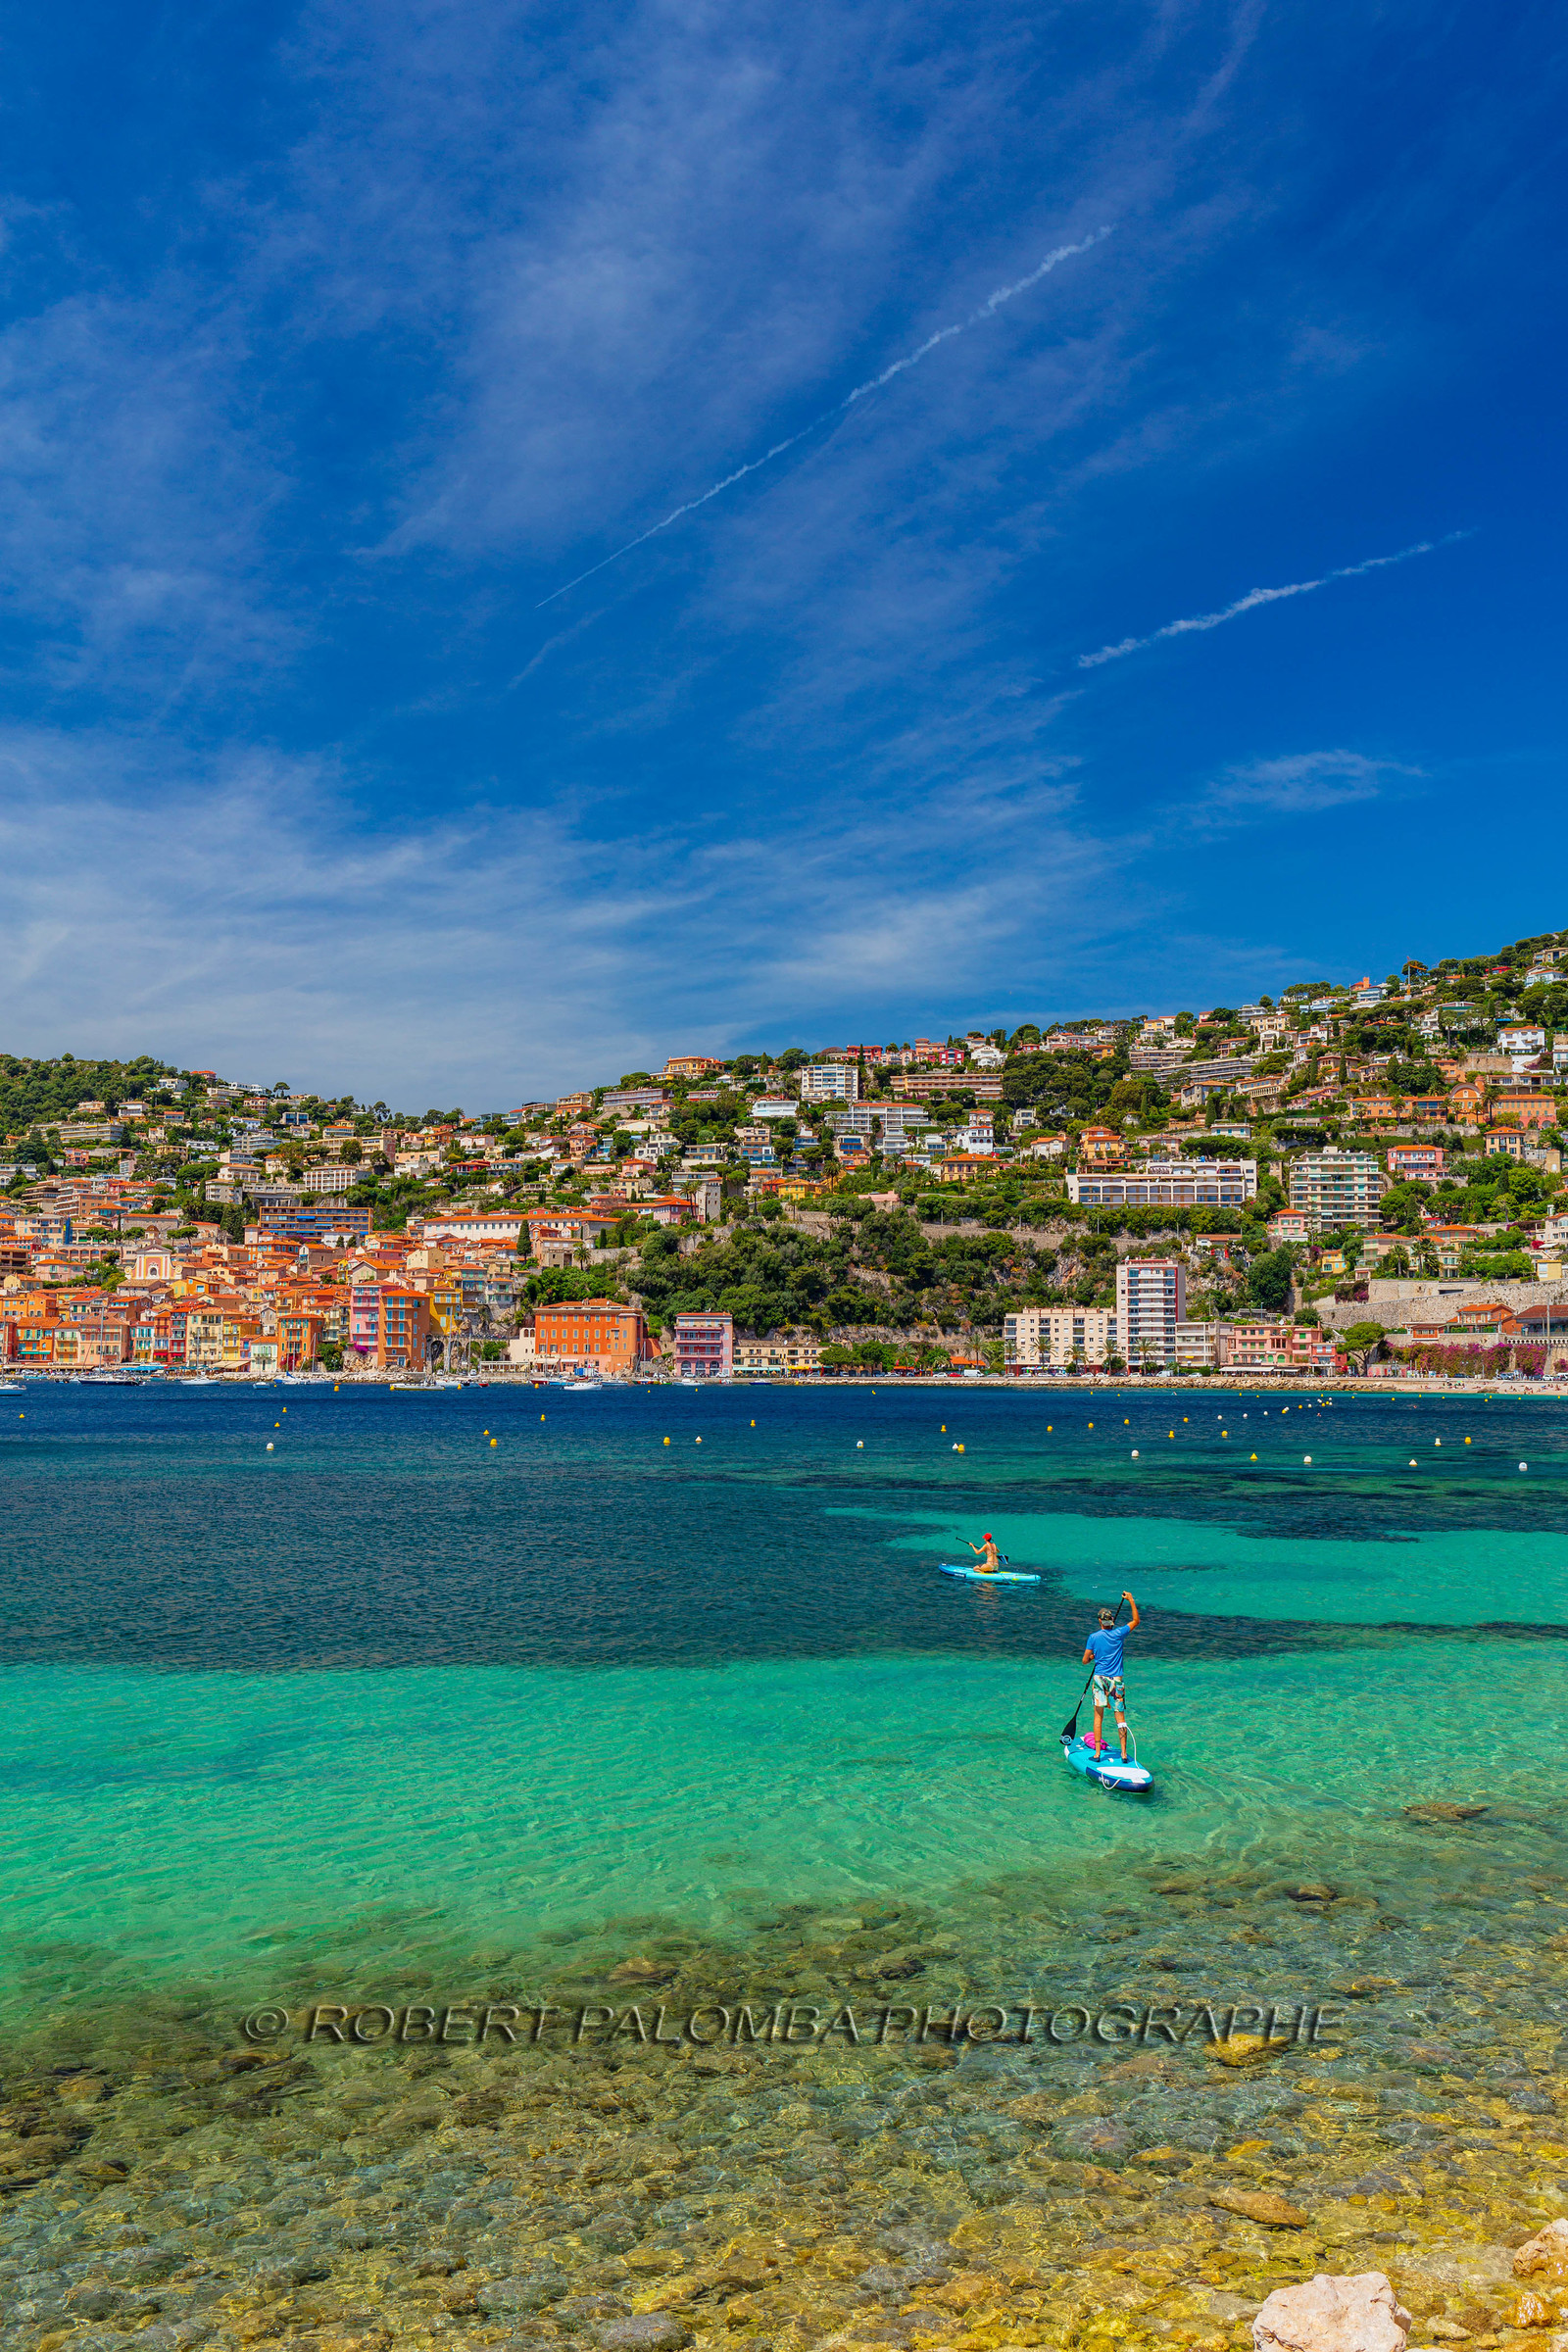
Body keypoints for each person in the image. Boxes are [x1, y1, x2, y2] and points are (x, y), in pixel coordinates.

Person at [1082, 1591, 1140, 1759]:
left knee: (1098, 1716)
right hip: (1116, 1680)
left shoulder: (1093, 1637)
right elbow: (1136, 1621)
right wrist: (1131, 1599)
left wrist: (1092, 1657)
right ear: (1112, 1621)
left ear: (1100, 1621)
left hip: (1100, 1679)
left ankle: (1098, 1753)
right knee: (1120, 1718)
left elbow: (1085, 1660)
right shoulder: (1119, 1633)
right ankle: (1123, 1754)